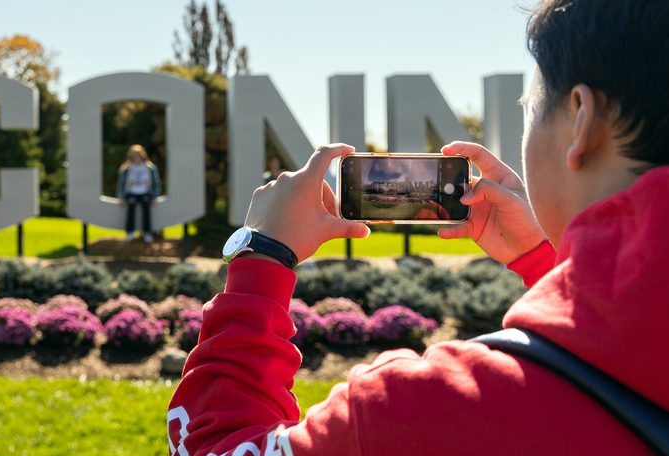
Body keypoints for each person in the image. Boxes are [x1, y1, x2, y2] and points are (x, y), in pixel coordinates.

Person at [168, 0, 669, 454]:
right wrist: (546, 264)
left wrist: (263, 255)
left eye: (530, 108)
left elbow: (210, 442)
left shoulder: (424, 410)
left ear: (581, 119)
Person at [117, 144, 161, 243]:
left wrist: (155, 196)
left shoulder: (150, 167)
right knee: (130, 212)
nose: (136, 158)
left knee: (146, 212)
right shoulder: (126, 168)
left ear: (142, 155)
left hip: (145, 193)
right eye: (134, 156)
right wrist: (121, 197)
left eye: (138, 155)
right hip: (132, 193)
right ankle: (129, 232)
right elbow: (121, 183)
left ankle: (147, 233)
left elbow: (155, 183)